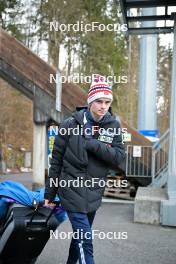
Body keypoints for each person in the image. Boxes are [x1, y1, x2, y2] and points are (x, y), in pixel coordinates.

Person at [44, 74, 126, 264]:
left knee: (80, 237)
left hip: (94, 192)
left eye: (107, 102)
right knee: (85, 240)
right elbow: (56, 161)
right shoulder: (69, 124)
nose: (103, 106)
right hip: (71, 189)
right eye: (99, 101)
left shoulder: (113, 125)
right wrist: (50, 192)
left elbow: (120, 157)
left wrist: (94, 145)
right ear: (90, 101)